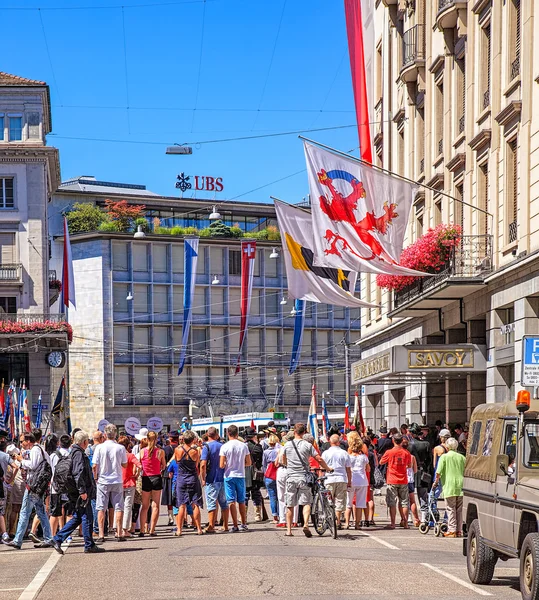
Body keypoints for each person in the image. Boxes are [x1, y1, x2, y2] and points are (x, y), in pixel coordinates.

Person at [52, 430, 105, 554]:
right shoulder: (78, 454)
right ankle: (88, 544)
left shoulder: (75, 452)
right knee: (87, 516)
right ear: (85, 442)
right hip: (79, 491)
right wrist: (82, 490)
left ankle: (58, 539)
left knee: (78, 517)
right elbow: (78, 472)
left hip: (76, 490)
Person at [282, 423, 332, 538]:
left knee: (289, 505)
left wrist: (288, 465)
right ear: (304, 432)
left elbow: (282, 460)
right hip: (303, 477)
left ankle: (289, 530)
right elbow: (318, 458)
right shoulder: (307, 445)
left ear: (294, 431)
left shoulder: (287, 445)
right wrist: (327, 468)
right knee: (306, 502)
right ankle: (305, 524)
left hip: (291, 477)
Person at [6, 432, 53, 550]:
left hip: (33, 486)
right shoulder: (39, 450)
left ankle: (17, 540)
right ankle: (48, 538)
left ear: (28, 440)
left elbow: (33, 465)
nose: (21, 444)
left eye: (22, 441)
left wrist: (21, 460)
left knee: (24, 512)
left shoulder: (36, 450)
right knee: (41, 512)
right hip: (36, 486)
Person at [92, 423, 128, 543]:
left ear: (105, 434)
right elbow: (124, 464)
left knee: (101, 507)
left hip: (103, 479)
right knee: (118, 506)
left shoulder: (99, 447)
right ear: (115, 434)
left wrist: (95, 477)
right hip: (117, 479)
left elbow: (94, 465)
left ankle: (101, 533)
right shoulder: (120, 448)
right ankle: (118, 532)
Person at [219, 425, 251, 532]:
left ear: (228, 434)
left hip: (228, 475)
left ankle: (235, 525)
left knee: (231, 501)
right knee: (241, 500)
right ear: (237, 433)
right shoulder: (244, 446)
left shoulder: (224, 446)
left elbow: (221, 465)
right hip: (240, 475)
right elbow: (249, 462)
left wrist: (226, 463)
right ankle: (244, 523)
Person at [432, 437, 466, 537]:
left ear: (447, 447)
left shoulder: (444, 457)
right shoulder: (462, 457)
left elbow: (438, 472)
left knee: (451, 508)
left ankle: (452, 530)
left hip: (449, 485)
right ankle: (459, 530)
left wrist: (435, 482)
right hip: (461, 485)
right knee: (459, 509)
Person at [379, 433, 412, 530]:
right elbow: (409, 465)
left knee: (392, 502)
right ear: (402, 441)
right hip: (403, 479)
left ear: (393, 441)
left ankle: (393, 523)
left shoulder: (389, 452)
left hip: (392, 479)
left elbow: (381, 462)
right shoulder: (406, 453)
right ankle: (405, 522)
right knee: (404, 502)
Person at [174, 430, 204, 536]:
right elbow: (196, 464)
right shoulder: (195, 451)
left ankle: (179, 530)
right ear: (192, 440)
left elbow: (177, 461)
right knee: (195, 504)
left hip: (181, 478)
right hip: (192, 478)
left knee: (181, 505)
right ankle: (199, 528)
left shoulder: (177, 450)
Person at [200, 426, 228, 534]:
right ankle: (225, 525)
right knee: (224, 503)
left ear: (207, 435)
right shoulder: (222, 446)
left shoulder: (206, 447)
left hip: (212, 478)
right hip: (223, 477)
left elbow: (203, 464)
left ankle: (211, 525)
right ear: (216, 435)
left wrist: (203, 478)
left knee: (211, 502)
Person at [138, 431, 166, 537]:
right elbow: (163, 465)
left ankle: (141, 530)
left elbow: (139, 464)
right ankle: (152, 529)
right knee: (155, 505)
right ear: (156, 439)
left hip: (146, 478)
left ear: (147, 439)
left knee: (145, 506)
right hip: (156, 477)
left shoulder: (142, 451)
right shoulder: (160, 452)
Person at [322, 434, 352, 528]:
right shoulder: (344, 453)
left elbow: (322, 467)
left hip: (329, 479)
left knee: (328, 501)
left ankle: (329, 520)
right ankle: (337, 521)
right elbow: (348, 469)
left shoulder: (325, 453)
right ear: (339, 442)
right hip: (341, 478)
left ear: (330, 442)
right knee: (339, 501)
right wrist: (349, 481)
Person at [49, 434, 72, 537]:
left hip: (55, 487)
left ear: (59, 443)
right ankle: (67, 535)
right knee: (70, 512)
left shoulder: (53, 455)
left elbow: (49, 470)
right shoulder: (72, 454)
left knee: (54, 512)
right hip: (69, 487)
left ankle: (51, 535)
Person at [344, 437, 370, 530]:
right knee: (360, 504)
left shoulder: (348, 457)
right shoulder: (364, 457)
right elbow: (368, 469)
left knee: (348, 503)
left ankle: (347, 523)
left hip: (351, 480)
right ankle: (357, 524)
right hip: (362, 481)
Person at [118, 436, 140, 538]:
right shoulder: (130, 456)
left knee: (118, 506)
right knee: (127, 507)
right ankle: (125, 530)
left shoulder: (116, 455)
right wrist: (136, 473)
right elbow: (140, 465)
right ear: (128, 445)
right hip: (130, 483)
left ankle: (116, 529)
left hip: (118, 482)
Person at [244, 427, 264, 522]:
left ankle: (244, 515)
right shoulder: (258, 447)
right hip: (256, 472)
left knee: (245, 494)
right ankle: (258, 515)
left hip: (245, 471)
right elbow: (261, 460)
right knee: (256, 493)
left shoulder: (243, 446)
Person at [401, 438, 419, 527]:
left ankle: (404, 520)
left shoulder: (400, 455)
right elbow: (415, 470)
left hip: (402, 479)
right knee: (412, 501)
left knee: (403, 501)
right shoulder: (412, 457)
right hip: (410, 480)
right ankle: (416, 519)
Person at [262, 434, 280, 524]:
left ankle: (275, 517)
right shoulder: (279, 451)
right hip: (279, 474)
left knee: (272, 497)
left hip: (269, 475)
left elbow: (264, 465)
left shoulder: (265, 452)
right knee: (280, 497)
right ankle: (282, 516)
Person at [0, 439, 15, 542]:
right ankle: (4, 532)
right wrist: (11, 479)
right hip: (3, 485)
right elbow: (16, 466)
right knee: (3, 510)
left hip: (3, 484)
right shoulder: (5, 456)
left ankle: (4, 533)